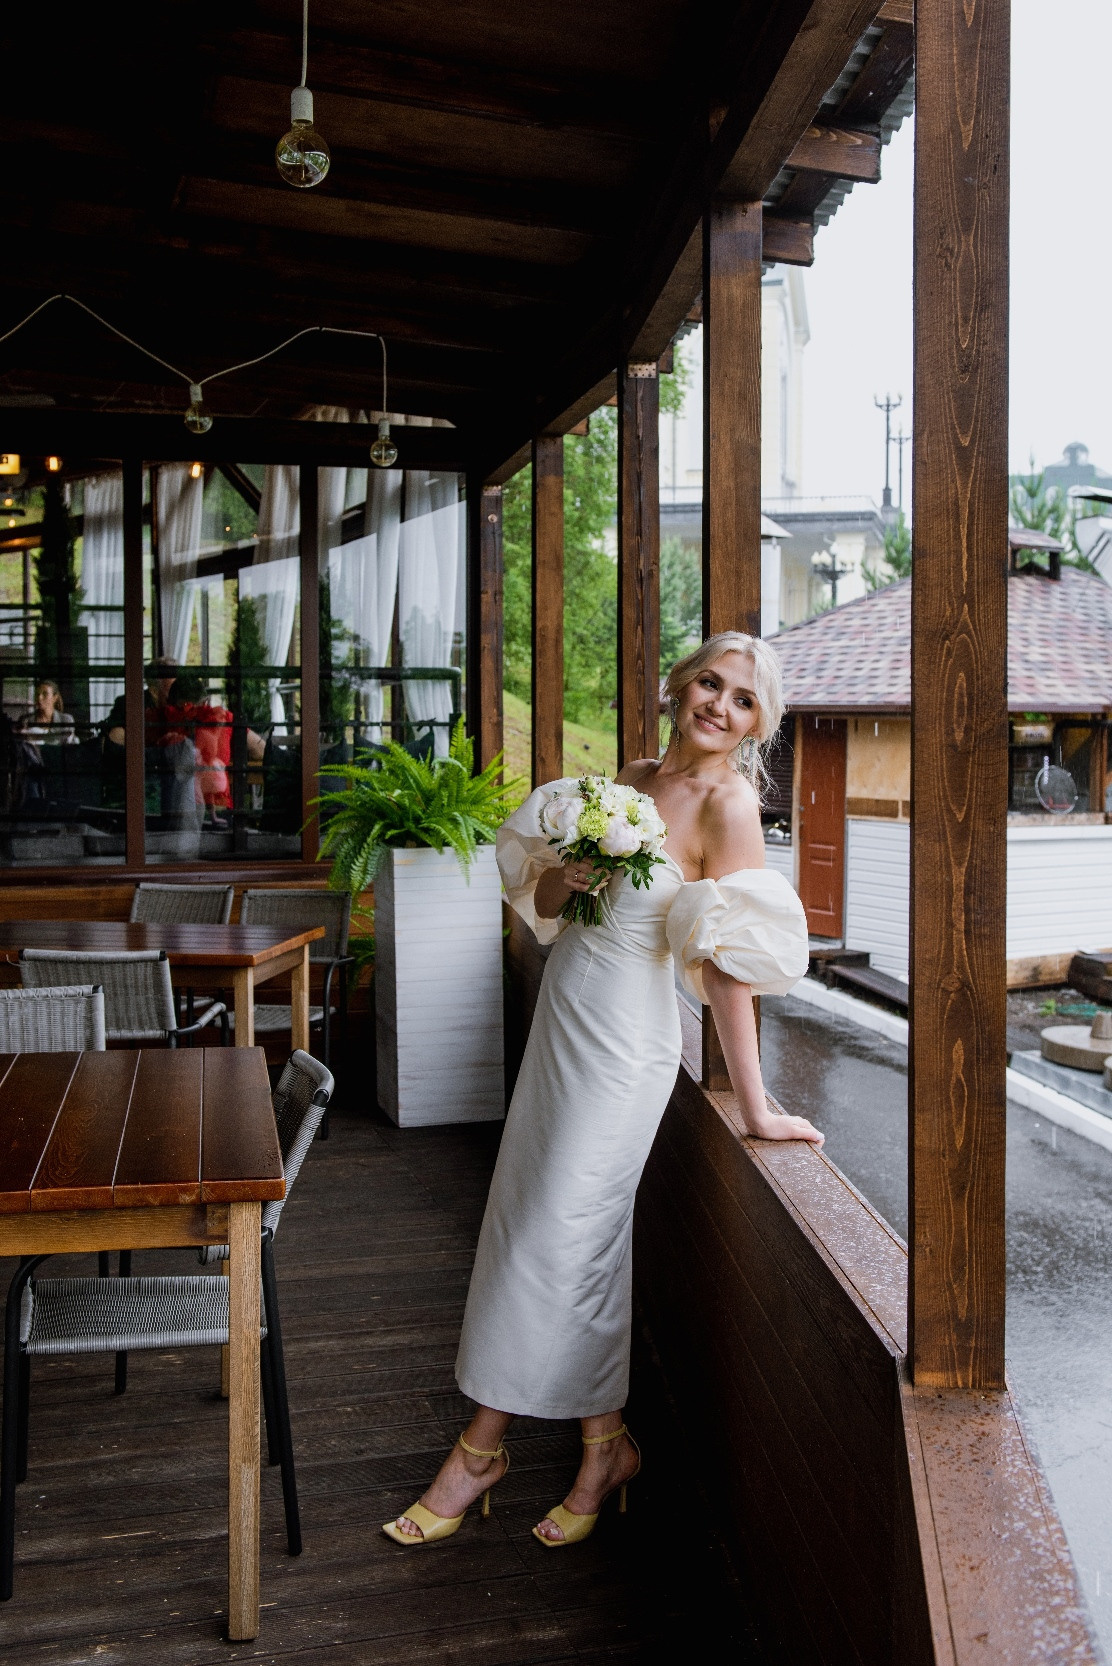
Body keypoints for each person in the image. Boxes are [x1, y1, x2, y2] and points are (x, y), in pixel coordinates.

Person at [384, 632, 822, 1551]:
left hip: (626, 1049)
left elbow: (729, 967)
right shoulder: (623, 779)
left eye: (744, 699)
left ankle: (477, 1453)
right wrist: (563, 874)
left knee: (555, 1236)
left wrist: (755, 1106)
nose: (720, 705)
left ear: (758, 724)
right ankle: (603, 1446)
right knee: (536, 1227)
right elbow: (549, 911)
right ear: (677, 684)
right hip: (562, 1027)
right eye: (711, 681)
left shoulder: (728, 807)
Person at [15, 680, 76, 747]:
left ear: (55, 698)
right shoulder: (25, 720)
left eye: (45, 694)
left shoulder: (66, 720)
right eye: (37, 694)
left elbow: (70, 747)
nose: (39, 698)